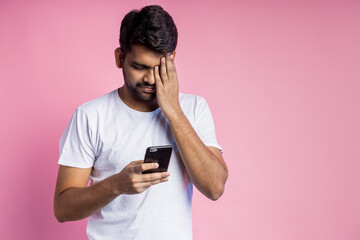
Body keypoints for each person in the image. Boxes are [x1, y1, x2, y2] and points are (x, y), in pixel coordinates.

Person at [54, 5, 228, 240]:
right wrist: (116, 185)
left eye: (158, 68)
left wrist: (174, 112)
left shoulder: (194, 109)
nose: (149, 78)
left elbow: (215, 187)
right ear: (120, 57)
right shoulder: (90, 116)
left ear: (172, 59)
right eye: (139, 67)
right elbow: (63, 208)